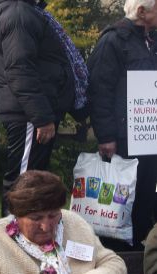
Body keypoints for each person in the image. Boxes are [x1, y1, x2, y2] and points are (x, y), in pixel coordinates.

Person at [0, 0, 88, 217]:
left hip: (31, 111)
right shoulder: (18, 12)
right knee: (23, 184)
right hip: (29, 114)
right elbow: (20, 68)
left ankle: (25, 238)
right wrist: (41, 117)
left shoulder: (25, 11)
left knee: (30, 182)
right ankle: (11, 241)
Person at [87, 0, 157, 251]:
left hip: (148, 138)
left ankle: (141, 249)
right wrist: (106, 135)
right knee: (120, 199)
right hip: (122, 138)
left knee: (145, 196)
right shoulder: (113, 41)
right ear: (142, 12)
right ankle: (116, 253)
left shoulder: (150, 42)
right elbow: (98, 91)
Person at [0, 170, 126, 274]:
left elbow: (113, 262)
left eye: (53, 215)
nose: (46, 226)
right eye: (36, 218)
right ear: (16, 215)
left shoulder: (73, 222)